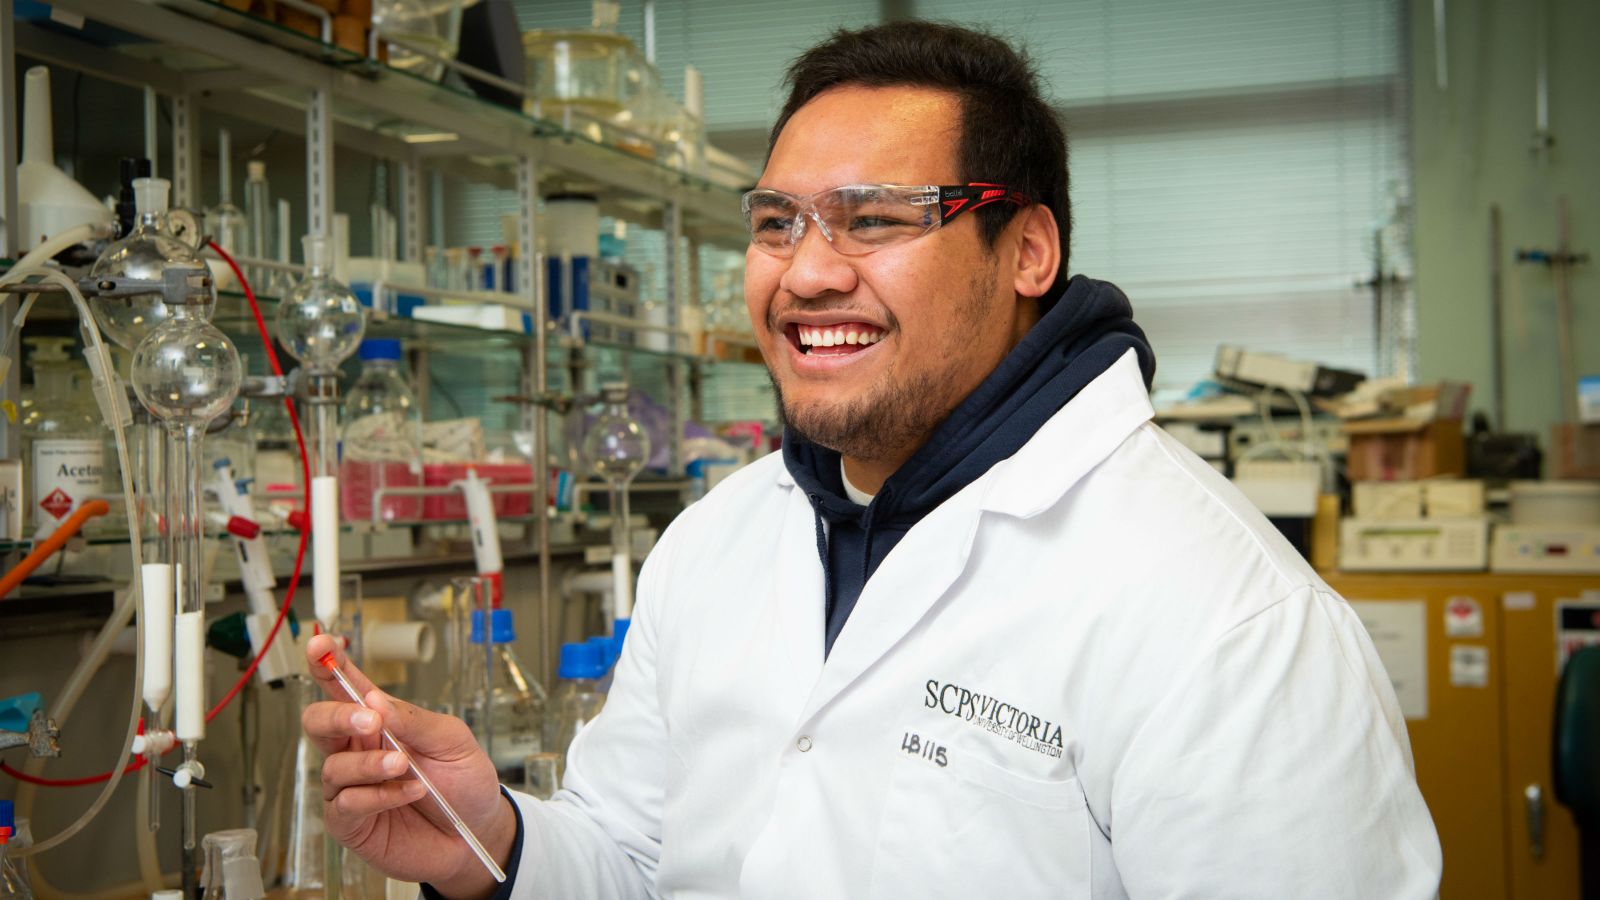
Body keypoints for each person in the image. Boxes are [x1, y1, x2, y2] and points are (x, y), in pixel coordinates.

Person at [303, 21, 1442, 899]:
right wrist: (490, 841)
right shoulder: (718, 540)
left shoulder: (1221, 615)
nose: (804, 274)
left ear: (1028, 249)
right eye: (775, 222)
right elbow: (639, 858)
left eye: (874, 220)